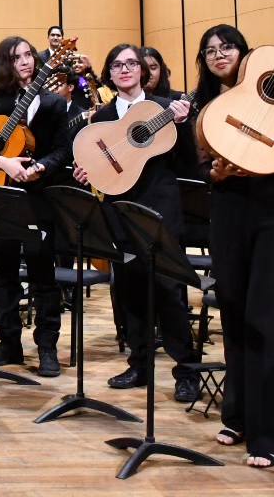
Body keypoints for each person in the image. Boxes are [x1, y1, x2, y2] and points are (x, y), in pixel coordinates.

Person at [197, 18, 274, 468]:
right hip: (229, 209)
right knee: (233, 312)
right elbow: (198, 164)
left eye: (227, 46)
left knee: (265, 319)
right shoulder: (205, 104)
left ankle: (269, 435)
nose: (219, 54)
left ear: (246, 54)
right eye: (210, 50)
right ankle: (238, 415)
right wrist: (213, 173)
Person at [72, 44, 201, 403]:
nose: (125, 69)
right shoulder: (102, 117)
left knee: (170, 293)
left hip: (160, 210)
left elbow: (188, 164)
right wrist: (84, 173)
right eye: (117, 65)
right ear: (109, 74)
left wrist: (183, 125)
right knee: (129, 292)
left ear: (143, 70)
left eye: (131, 63)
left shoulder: (164, 108)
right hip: (119, 211)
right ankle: (139, 364)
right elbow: (92, 165)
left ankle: (187, 370)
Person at [0, 35, 71, 378]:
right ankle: (9, 342)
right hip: (3, 197)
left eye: (28, 54)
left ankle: (47, 347)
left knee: (43, 274)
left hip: (40, 196)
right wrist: (2, 162)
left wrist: (43, 167)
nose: (25, 61)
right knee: (3, 271)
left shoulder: (54, 103)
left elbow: (63, 149)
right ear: (6, 65)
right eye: (16, 57)